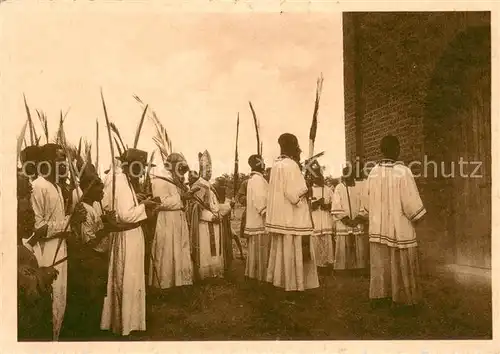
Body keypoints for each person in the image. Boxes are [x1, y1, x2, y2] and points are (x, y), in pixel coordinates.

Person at [360, 135, 426, 313]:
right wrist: (417, 216)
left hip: (378, 227)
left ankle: (380, 296)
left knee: (381, 264)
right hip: (398, 226)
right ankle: (402, 299)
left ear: (382, 150)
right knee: (400, 262)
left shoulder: (373, 172)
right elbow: (410, 202)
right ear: (396, 149)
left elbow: (365, 203)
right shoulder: (402, 171)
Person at [31, 143, 87, 340]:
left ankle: (55, 339)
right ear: (47, 162)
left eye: (65, 159)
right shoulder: (38, 186)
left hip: (60, 247)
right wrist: (70, 222)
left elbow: (59, 222)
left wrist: (72, 217)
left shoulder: (56, 186)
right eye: (59, 158)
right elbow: (39, 229)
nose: (64, 163)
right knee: (51, 299)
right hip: (47, 252)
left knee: (60, 299)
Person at [100, 148, 159, 337]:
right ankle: (127, 323)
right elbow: (126, 215)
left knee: (127, 278)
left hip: (127, 236)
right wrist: (145, 206)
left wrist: (139, 201)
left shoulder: (123, 182)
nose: (142, 172)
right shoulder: (123, 184)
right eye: (140, 167)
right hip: (128, 235)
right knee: (129, 278)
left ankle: (126, 321)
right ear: (131, 166)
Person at [265, 133, 319, 296]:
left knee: (284, 250)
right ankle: (295, 285)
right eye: (296, 145)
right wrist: (307, 186)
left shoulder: (276, 165)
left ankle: (280, 282)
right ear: (292, 146)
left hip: (281, 218)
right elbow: (294, 194)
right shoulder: (291, 165)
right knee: (293, 250)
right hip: (293, 217)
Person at [65, 167, 111, 339]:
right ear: (88, 189)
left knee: (97, 298)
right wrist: (107, 228)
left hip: (98, 259)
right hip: (90, 261)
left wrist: (105, 222)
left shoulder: (94, 207)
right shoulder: (83, 209)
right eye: (99, 186)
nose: (103, 190)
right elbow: (89, 242)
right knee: (91, 299)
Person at [17, 172, 58, 341]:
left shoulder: (22, 246)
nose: (32, 218)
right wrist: (40, 277)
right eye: (26, 213)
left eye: (31, 212)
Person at [149, 153, 193, 292]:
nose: (181, 171)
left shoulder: (173, 178)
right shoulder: (160, 179)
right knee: (167, 251)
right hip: (167, 219)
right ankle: (165, 285)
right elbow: (160, 202)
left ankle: (179, 282)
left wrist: (183, 198)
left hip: (177, 218)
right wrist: (182, 198)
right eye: (180, 167)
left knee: (178, 250)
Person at [189, 150, 232, 281]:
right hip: (204, 224)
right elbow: (194, 207)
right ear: (201, 169)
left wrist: (225, 208)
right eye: (206, 168)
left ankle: (215, 273)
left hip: (216, 222)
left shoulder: (211, 186)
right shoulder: (198, 185)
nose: (209, 171)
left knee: (216, 248)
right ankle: (206, 275)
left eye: (210, 169)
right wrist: (210, 216)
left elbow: (215, 204)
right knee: (206, 249)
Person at [331, 166, 367, 271]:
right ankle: (342, 268)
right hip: (344, 222)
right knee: (343, 245)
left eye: (351, 175)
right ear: (344, 176)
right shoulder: (339, 187)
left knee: (358, 244)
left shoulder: (359, 187)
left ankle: (359, 267)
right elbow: (336, 205)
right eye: (346, 175)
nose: (349, 177)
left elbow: (363, 204)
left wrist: (357, 219)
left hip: (356, 222)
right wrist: (347, 220)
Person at [244, 154, 270, 282]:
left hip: (255, 221)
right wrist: (266, 214)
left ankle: (254, 276)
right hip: (260, 221)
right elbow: (259, 200)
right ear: (257, 164)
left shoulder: (254, 179)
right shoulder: (258, 180)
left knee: (257, 251)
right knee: (261, 251)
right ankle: (261, 277)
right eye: (262, 162)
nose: (264, 164)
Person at [307, 161, 334, 273]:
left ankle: (328, 266)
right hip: (315, 222)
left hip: (326, 221)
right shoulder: (309, 190)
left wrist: (327, 205)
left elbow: (334, 205)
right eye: (316, 176)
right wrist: (317, 203)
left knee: (327, 243)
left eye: (320, 176)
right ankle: (317, 266)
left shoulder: (328, 190)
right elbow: (307, 207)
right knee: (316, 244)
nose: (318, 178)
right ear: (313, 178)